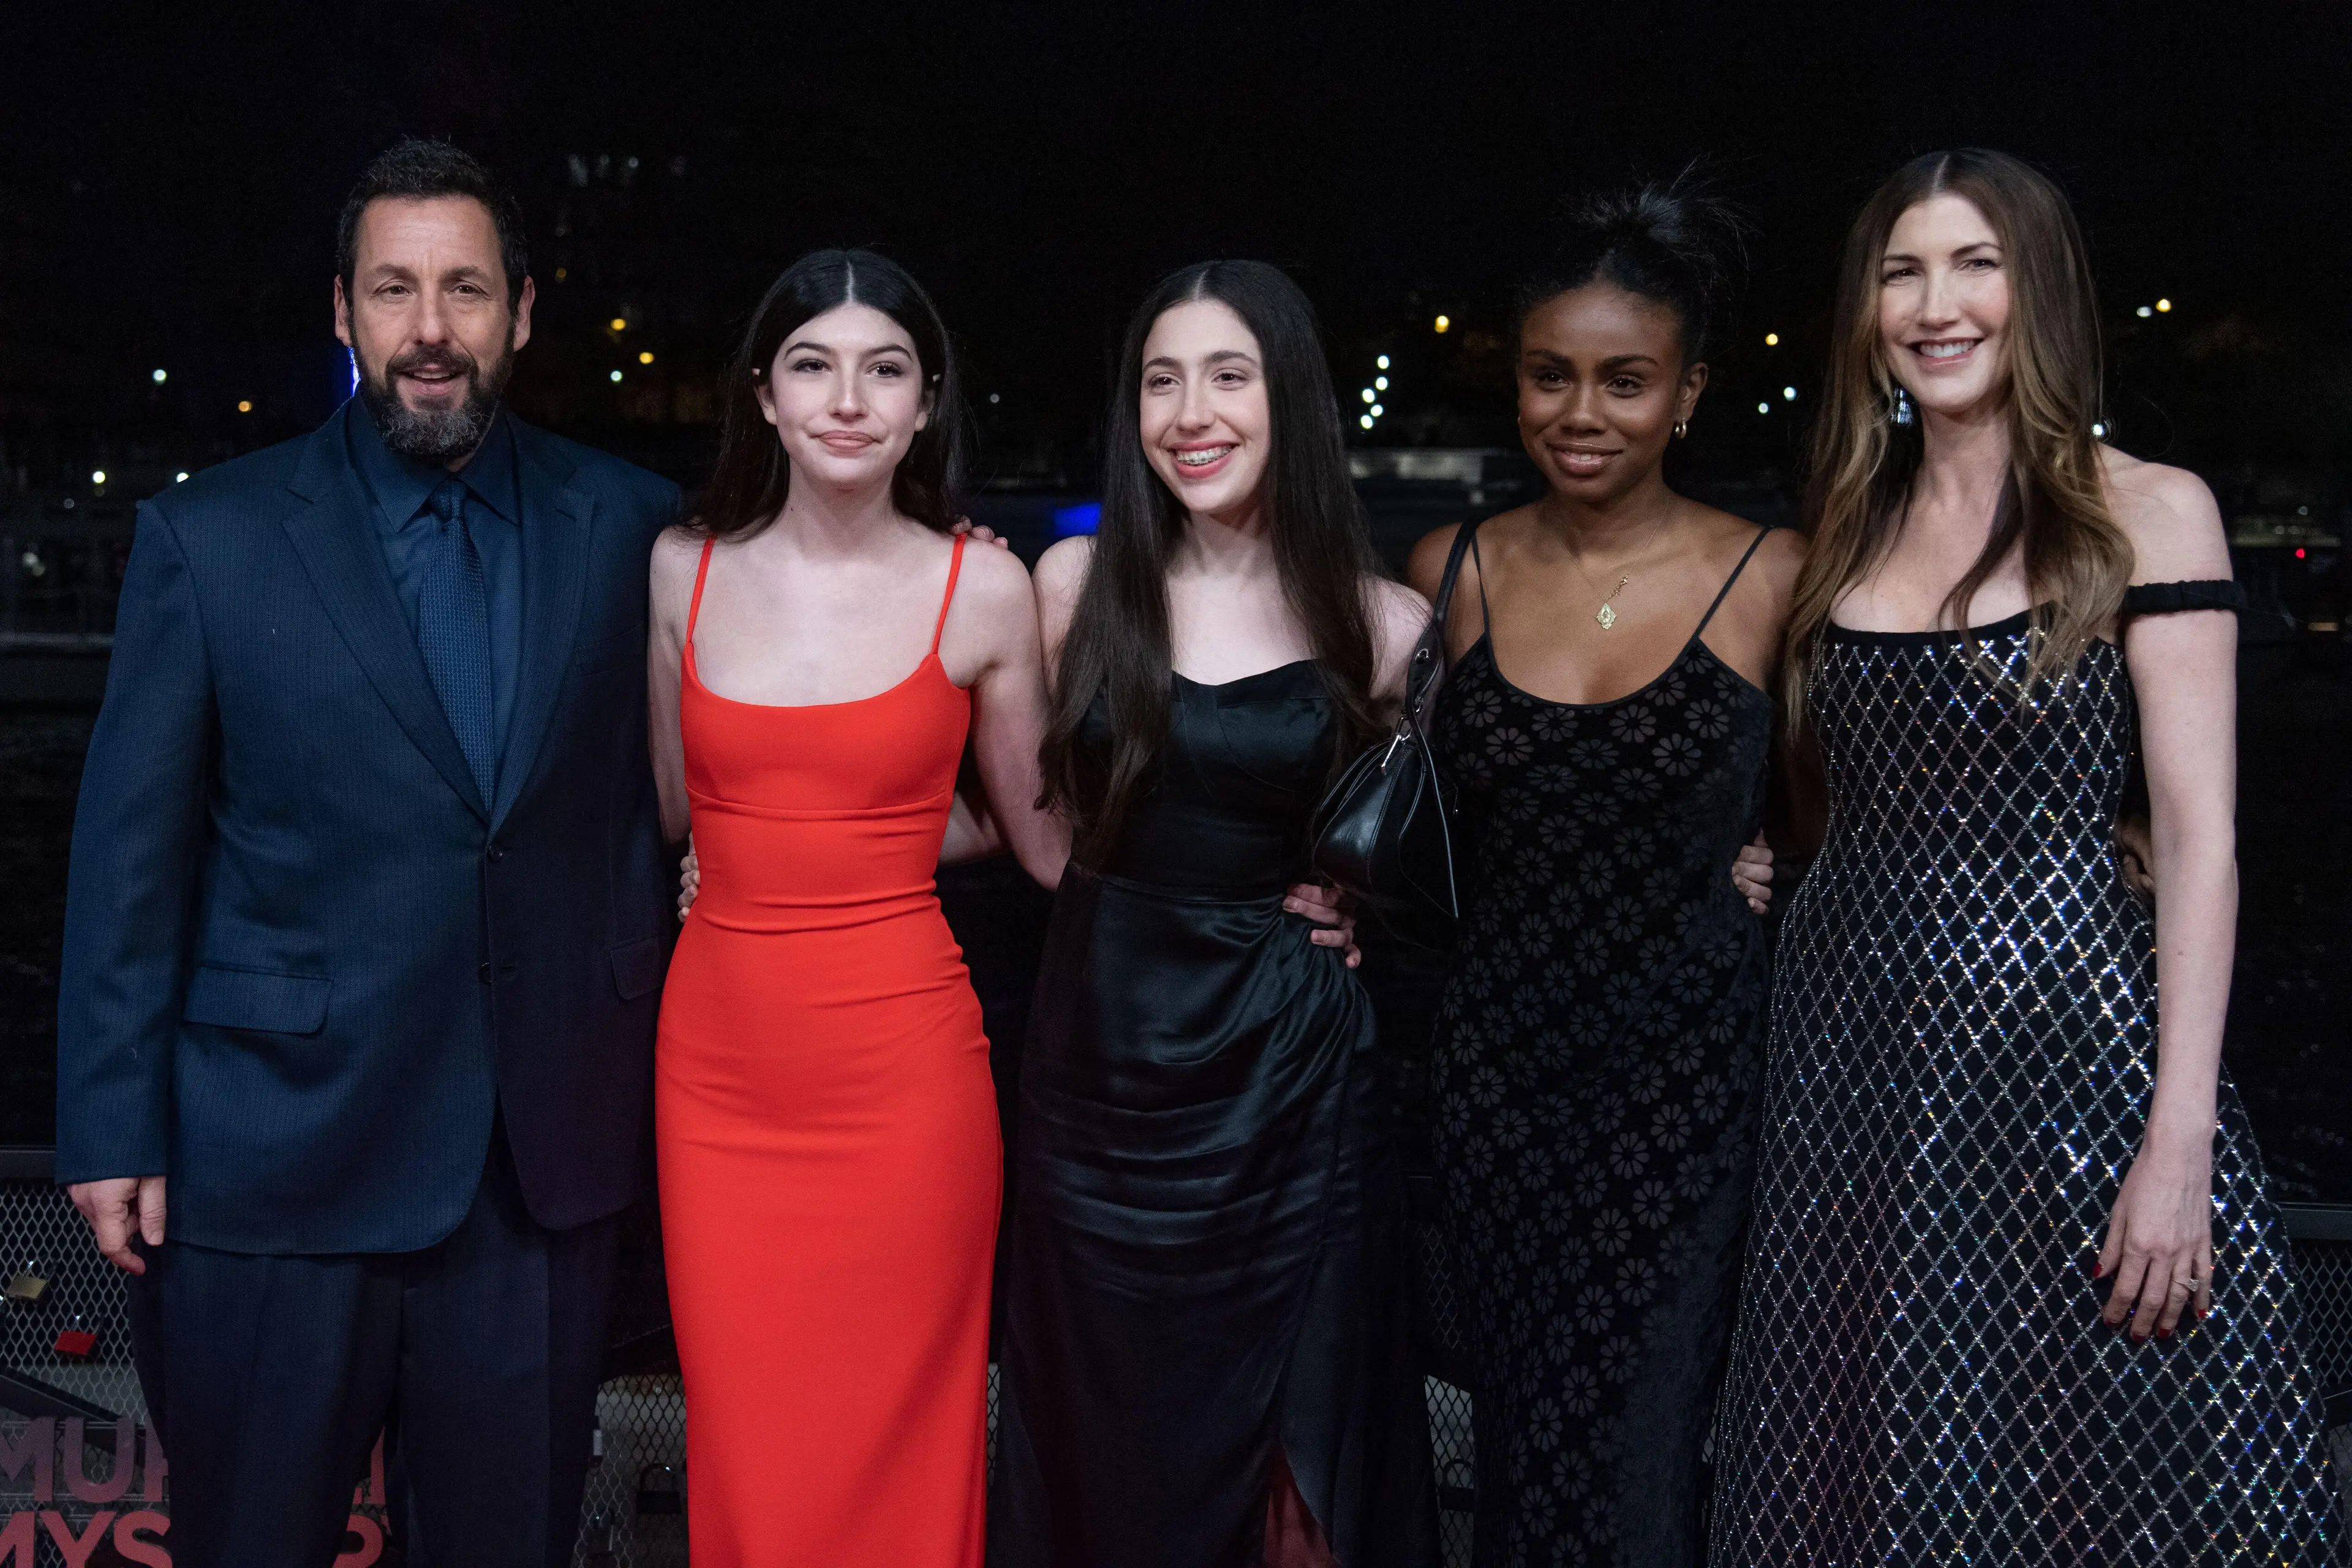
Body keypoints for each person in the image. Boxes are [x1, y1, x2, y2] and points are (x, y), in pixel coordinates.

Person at [1708, 148, 2343, 1562]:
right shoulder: (1842, 527)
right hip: (1850, 1064)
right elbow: (1838, 794)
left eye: (1976, 264)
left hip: (2070, 1060)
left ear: (2038, 289)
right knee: (1872, 1457)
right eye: (1903, 271)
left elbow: (2200, 835)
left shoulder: (2146, 508)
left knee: (2114, 1463)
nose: (1939, 305)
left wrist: (2177, 1138)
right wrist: (1765, 854)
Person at [54, 139, 678, 1567]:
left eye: (465, 289)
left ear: (523, 311)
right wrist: (109, 1123)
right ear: (343, 313)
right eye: (394, 290)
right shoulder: (209, 538)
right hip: (269, 1164)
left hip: (533, 1180)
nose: (430, 330)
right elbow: (129, 861)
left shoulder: (633, 528)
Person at [989, 260, 1439, 1568]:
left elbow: (1449, 874)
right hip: (1101, 1086)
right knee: (1105, 1441)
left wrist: (1755, 852)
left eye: (1228, 375)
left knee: (1298, 1476)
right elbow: (1026, 825)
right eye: (1161, 380)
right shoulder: (1072, 585)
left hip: (1298, 1087)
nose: (1192, 411)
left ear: (1290, 397)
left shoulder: (1387, 625)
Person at [647, 248, 1065, 1567]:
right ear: (763, 396)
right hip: (718, 1082)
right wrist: (766, 842)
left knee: (905, 1432)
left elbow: (1041, 840)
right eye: (813, 366)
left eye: (884, 369)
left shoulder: (981, 586)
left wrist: (1297, 868)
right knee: (749, 1436)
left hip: (906, 1088)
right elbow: (677, 809)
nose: (848, 398)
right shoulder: (682, 571)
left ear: (926, 402)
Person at [1404, 183, 1800, 1566]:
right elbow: (1395, 835)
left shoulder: (1773, 576)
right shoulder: (1449, 571)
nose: (1583, 411)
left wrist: (1776, 867)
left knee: (1632, 1450)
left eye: (1626, 381)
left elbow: (1837, 826)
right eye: (1550, 375)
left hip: (1687, 1095)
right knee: (1523, 1448)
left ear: (1686, 392)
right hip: (1498, 1089)